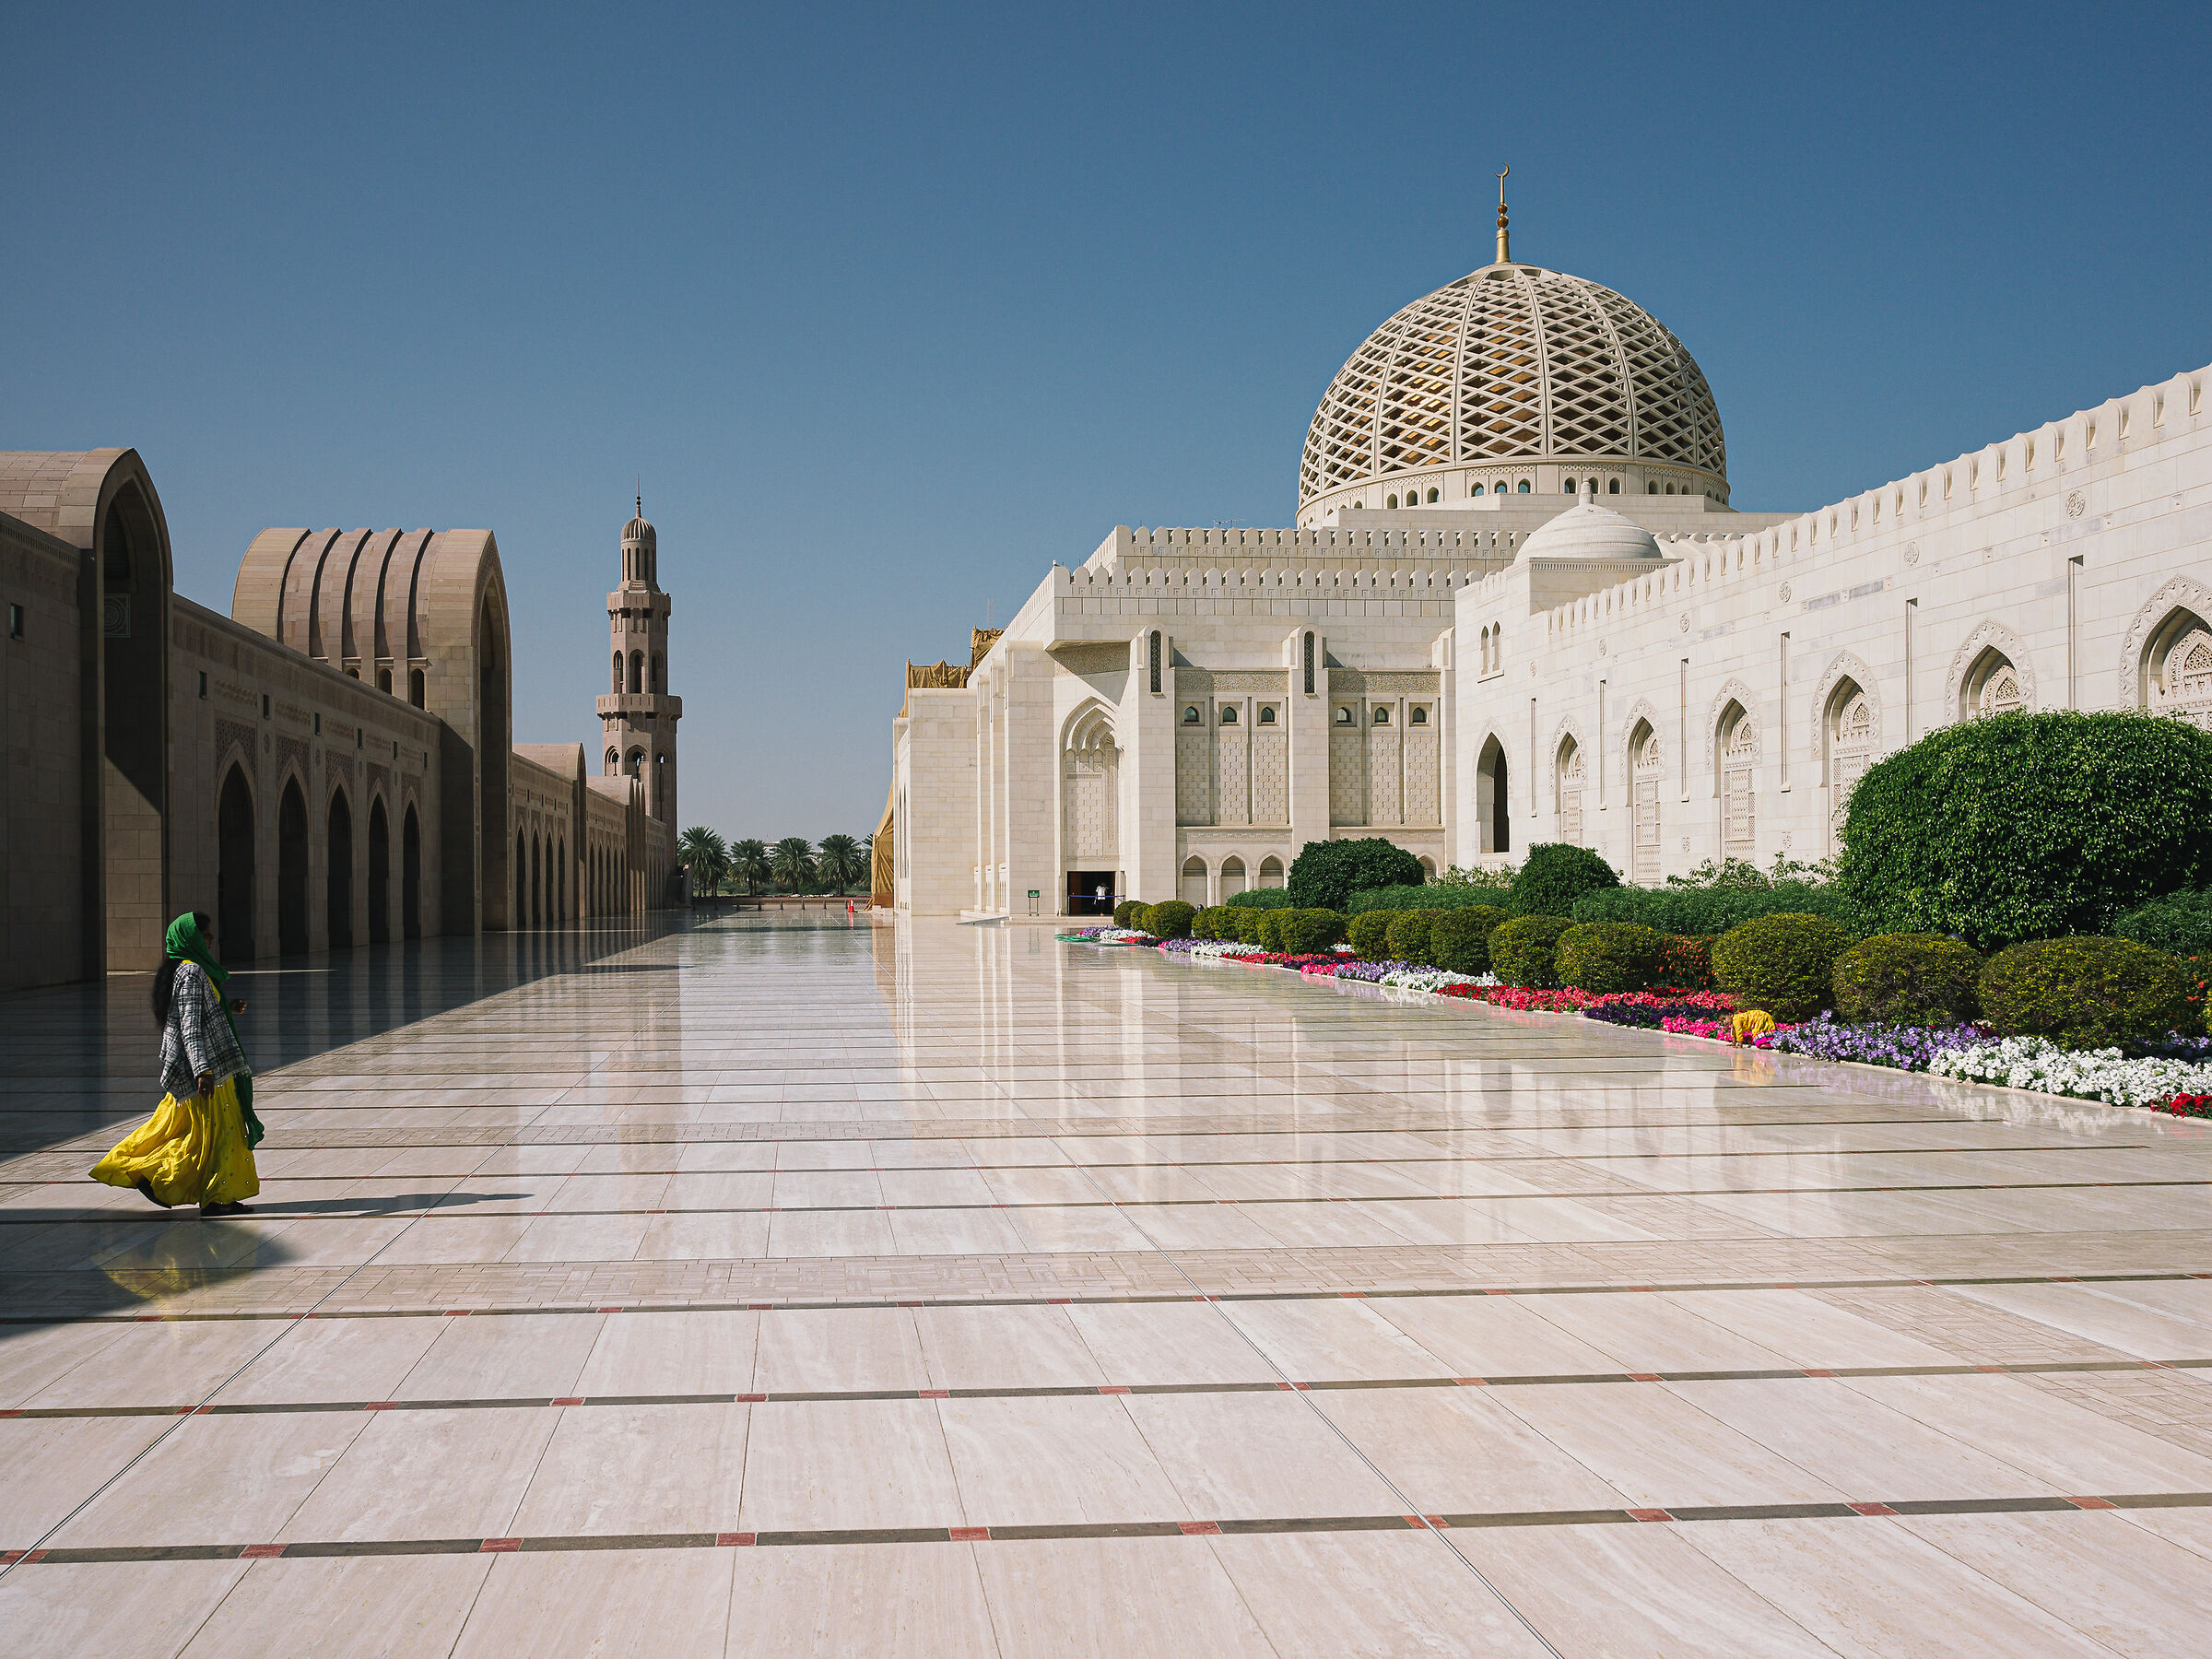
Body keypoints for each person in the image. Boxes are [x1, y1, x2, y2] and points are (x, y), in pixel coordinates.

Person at [90, 912, 264, 1216]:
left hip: (209, 1067)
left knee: (197, 1132)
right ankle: (162, 1179)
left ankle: (213, 1193)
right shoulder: (192, 972)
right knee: (214, 1134)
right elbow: (190, 1027)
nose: (211, 939)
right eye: (204, 935)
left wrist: (227, 1007)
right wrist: (202, 1071)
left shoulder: (193, 970)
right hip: (207, 1070)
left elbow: (199, 1015)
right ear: (189, 940)